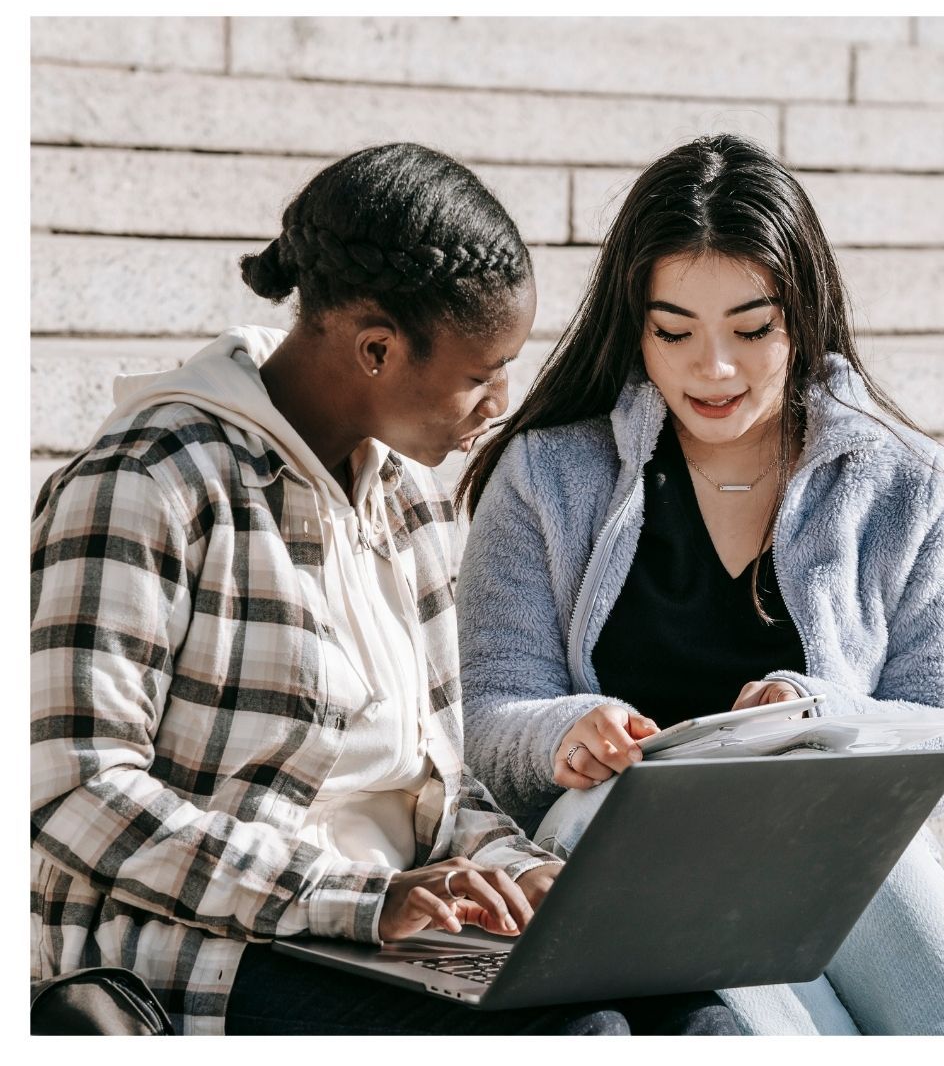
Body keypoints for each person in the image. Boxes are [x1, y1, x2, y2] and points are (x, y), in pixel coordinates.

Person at [30, 143, 737, 1037]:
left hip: (391, 934)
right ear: (376, 348)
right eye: (481, 373)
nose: (500, 403)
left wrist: (515, 870)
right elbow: (71, 792)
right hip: (195, 948)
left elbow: (438, 782)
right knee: (581, 1037)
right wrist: (353, 899)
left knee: (700, 1018)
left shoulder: (409, 502)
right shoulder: (151, 483)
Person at [454, 134, 944, 1035]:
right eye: (674, 331)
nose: (712, 368)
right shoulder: (548, 474)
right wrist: (564, 730)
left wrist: (814, 715)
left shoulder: (904, 483)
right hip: (618, 833)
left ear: (802, 315)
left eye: (752, 329)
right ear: (633, 322)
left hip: (827, 835)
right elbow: (490, 709)